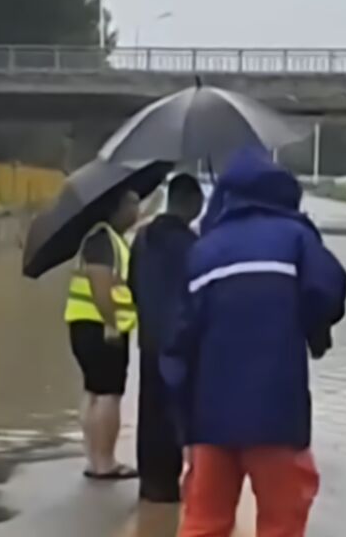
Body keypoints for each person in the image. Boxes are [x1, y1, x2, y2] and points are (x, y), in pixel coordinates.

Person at [164, 147, 346, 537]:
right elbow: (328, 292)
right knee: (281, 523)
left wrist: (185, 422)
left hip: (210, 421)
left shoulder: (203, 252)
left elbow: (178, 344)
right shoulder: (296, 238)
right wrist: (315, 333)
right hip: (277, 414)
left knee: (203, 523)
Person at [128, 174, 203, 503]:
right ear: (191, 204)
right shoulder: (193, 246)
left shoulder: (142, 239)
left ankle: (150, 481)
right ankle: (172, 484)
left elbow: (132, 286)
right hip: (181, 343)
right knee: (178, 412)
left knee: (149, 409)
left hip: (149, 338)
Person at [67, 188, 141, 480]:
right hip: (102, 327)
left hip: (86, 325)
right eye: (132, 204)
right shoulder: (103, 240)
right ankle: (104, 462)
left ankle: (95, 459)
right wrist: (111, 323)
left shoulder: (103, 238)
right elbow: (101, 286)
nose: (137, 210)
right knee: (108, 394)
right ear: (117, 208)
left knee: (94, 391)